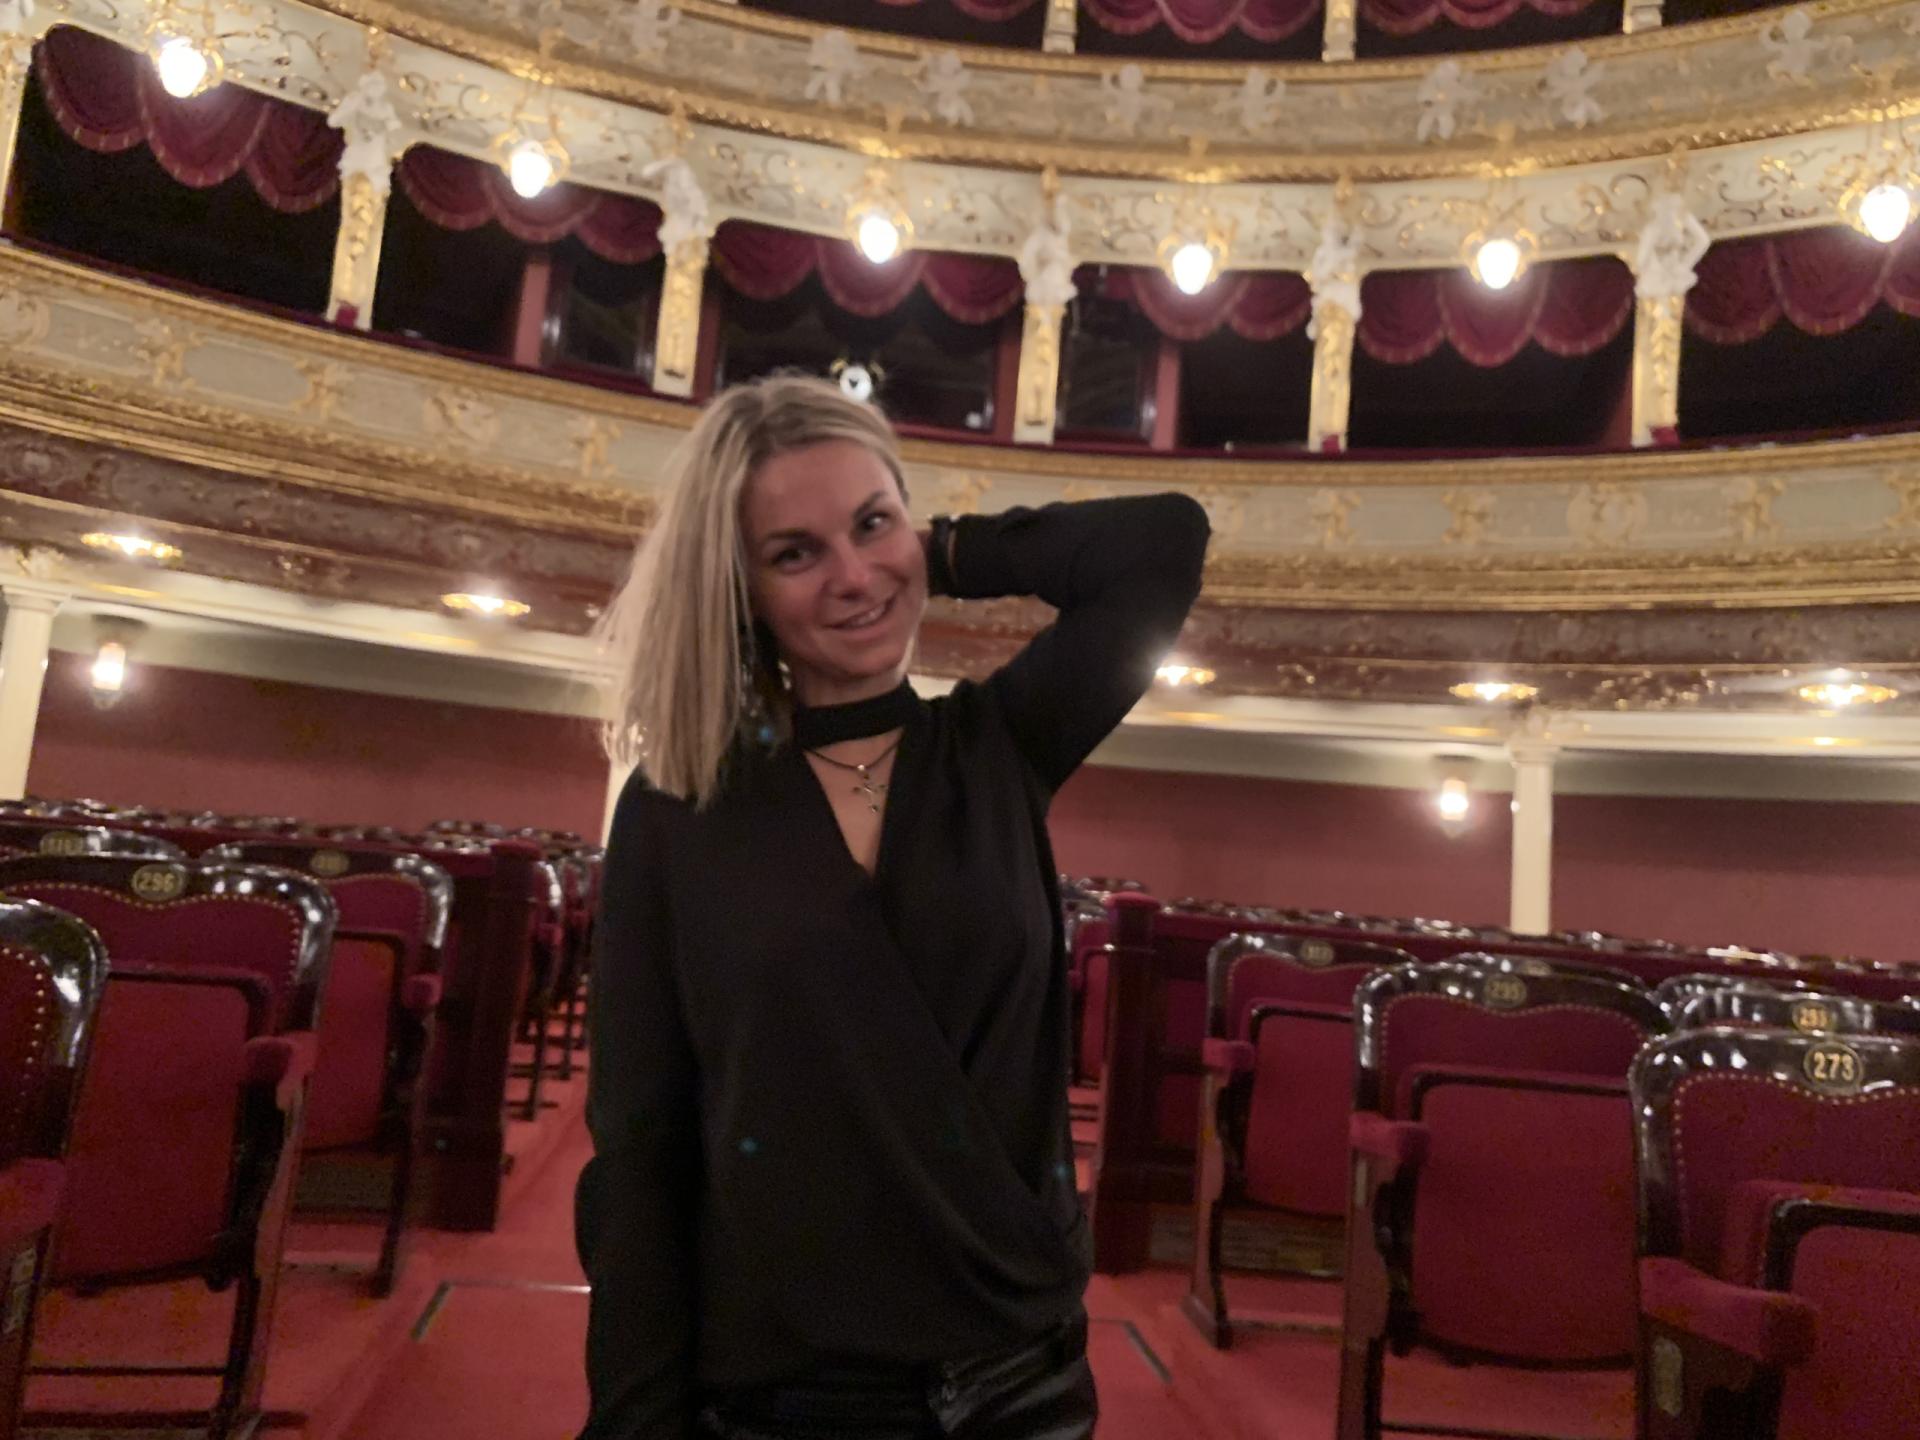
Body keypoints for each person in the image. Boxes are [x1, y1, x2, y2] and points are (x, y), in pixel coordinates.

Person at [578, 373, 1211, 1440]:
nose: (854, 576)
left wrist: (942, 551)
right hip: (790, 1391)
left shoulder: (999, 744)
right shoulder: (679, 803)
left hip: (1021, 1373)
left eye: (872, 525)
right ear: (740, 587)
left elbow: (1162, 541)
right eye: (796, 552)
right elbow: (641, 1141)